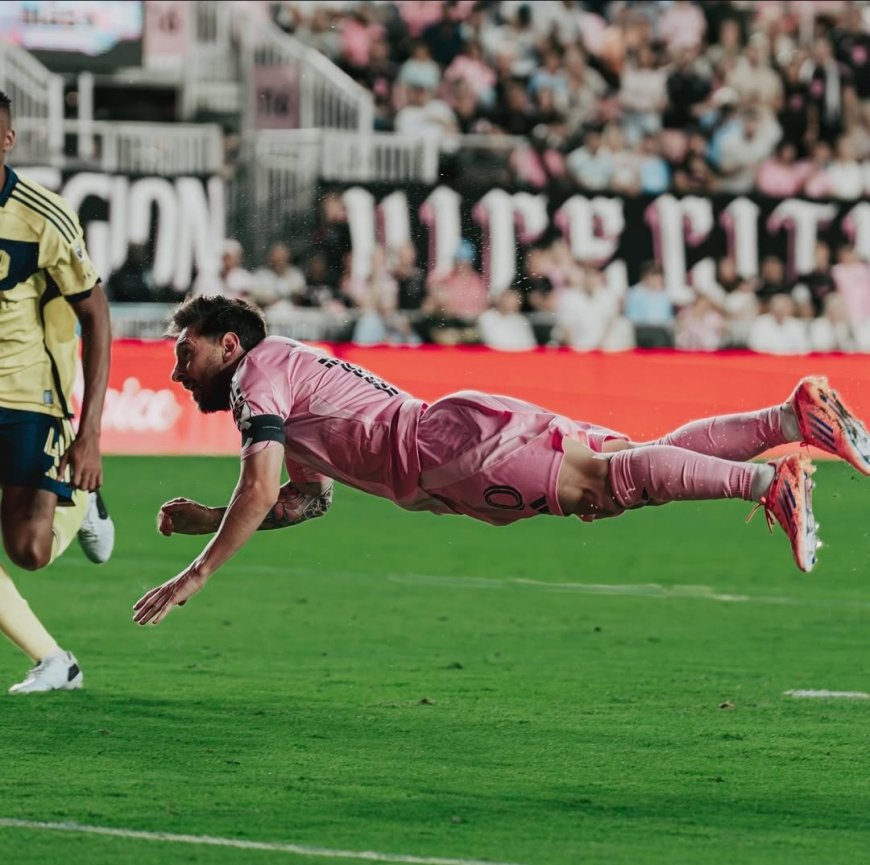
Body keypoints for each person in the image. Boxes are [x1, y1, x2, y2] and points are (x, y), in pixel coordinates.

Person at [133, 296, 870, 627]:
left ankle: (767, 481)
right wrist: (211, 516)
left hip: (446, 452)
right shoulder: (287, 374)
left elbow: (258, 485)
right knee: (630, 463)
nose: (176, 372)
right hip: (454, 434)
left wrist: (196, 570)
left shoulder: (258, 374)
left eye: (185, 353)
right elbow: (307, 499)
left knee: (607, 486)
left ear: (229, 344)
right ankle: (790, 419)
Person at [0, 91, 115, 692]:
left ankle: (81, 506)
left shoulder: (42, 215)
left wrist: (88, 433)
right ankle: (55, 662)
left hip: (28, 398)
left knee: (29, 550)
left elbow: (96, 315)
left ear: (7, 141)